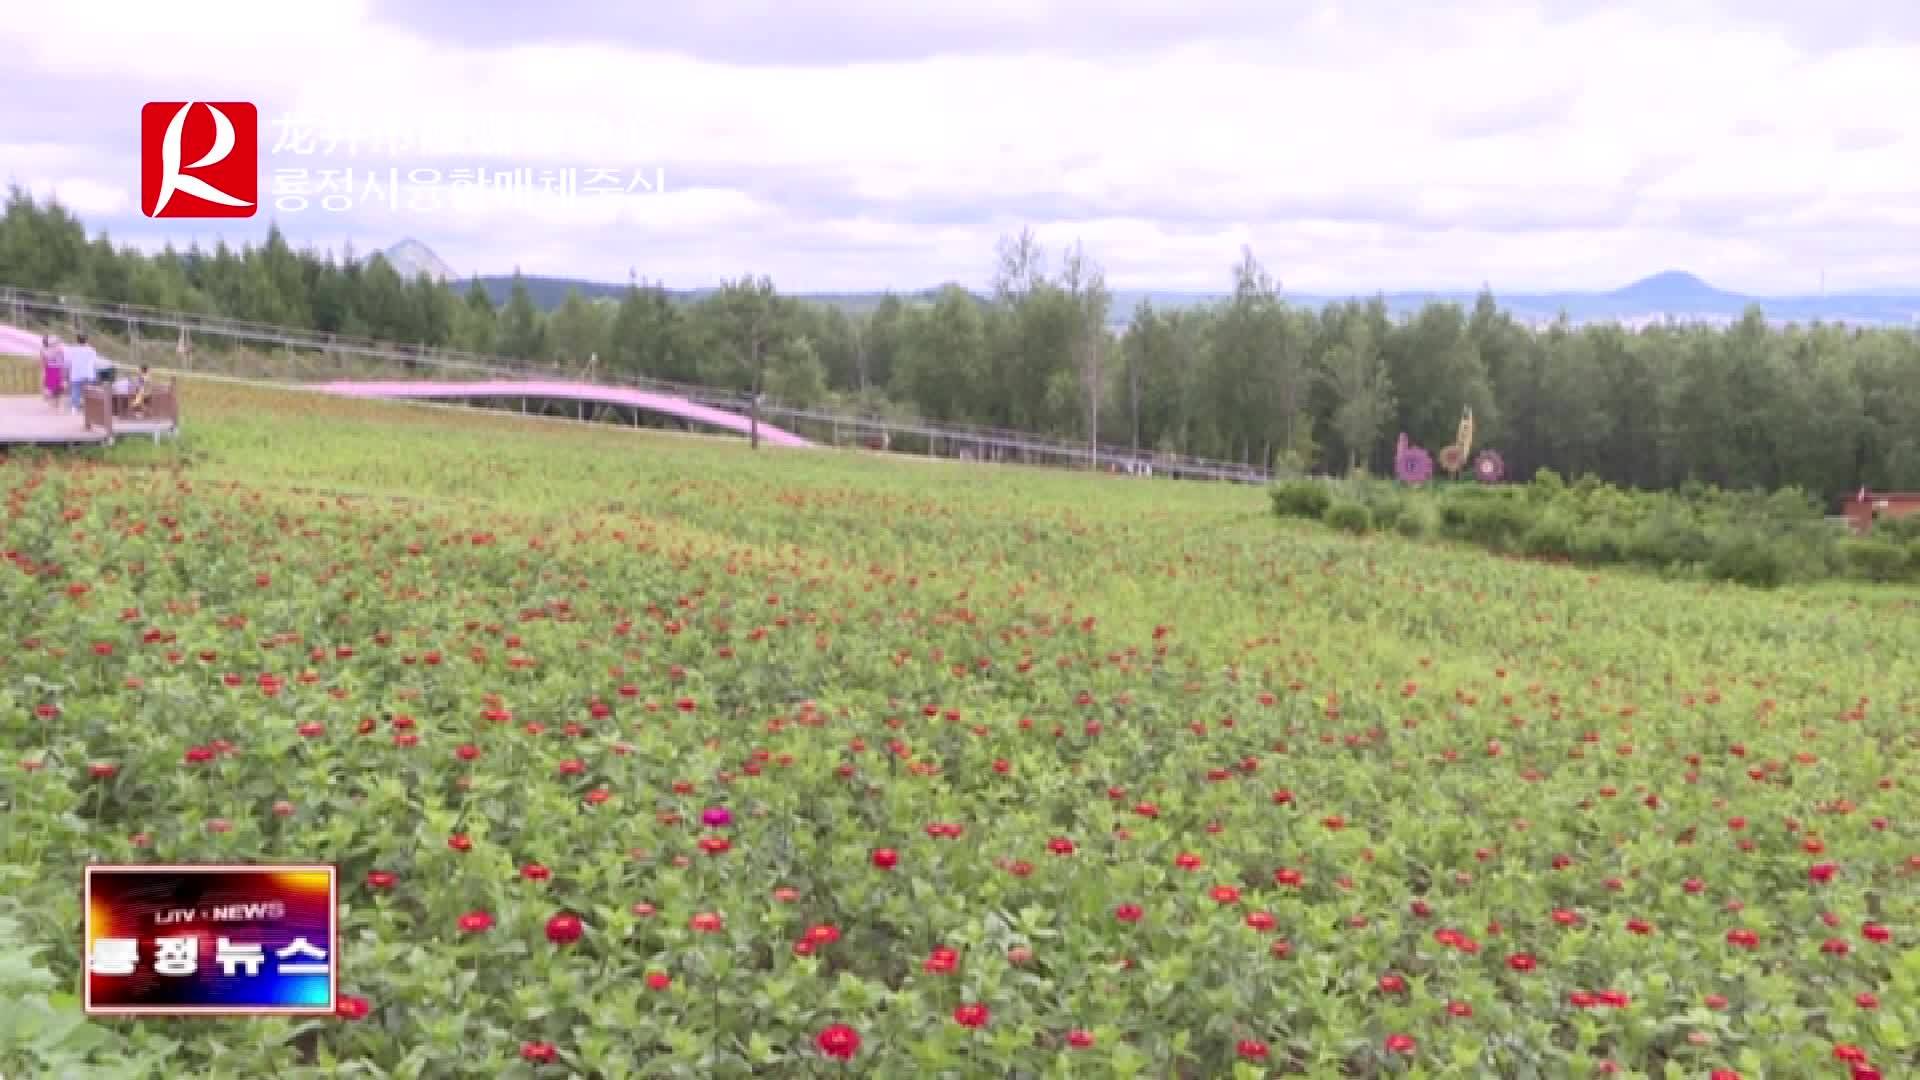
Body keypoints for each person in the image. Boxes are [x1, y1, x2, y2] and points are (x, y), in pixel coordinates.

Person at [64, 332, 100, 413]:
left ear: (77, 340)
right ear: (86, 340)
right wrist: (95, 373)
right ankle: (89, 407)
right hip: (88, 373)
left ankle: (74, 407)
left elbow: (68, 362)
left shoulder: (72, 349)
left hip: (76, 373)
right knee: (89, 391)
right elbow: (95, 362)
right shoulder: (91, 350)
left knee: (75, 390)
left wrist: (66, 373)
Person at [39, 335, 66, 408]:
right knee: (55, 387)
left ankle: (53, 403)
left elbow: (43, 361)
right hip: (55, 369)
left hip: (52, 369)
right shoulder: (59, 350)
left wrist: (43, 369)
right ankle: (54, 403)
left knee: (53, 387)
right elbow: (62, 361)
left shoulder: (46, 350)